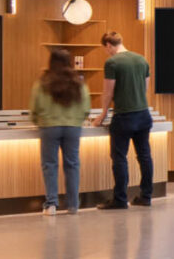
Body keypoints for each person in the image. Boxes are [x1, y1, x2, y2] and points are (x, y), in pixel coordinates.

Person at [92, 32, 153, 209]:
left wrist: (102, 115)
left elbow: (108, 92)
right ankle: (146, 196)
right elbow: (145, 88)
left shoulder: (112, 63)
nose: (107, 52)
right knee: (144, 156)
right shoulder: (142, 60)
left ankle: (120, 199)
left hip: (124, 116)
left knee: (119, 158)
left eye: (106, 49)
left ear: (109, 45)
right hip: (143, 115)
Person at [30, 50, 90, 216]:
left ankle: (51, 205)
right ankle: (73, 205)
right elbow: (86, 109)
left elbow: (34, 110)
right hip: (73, 128)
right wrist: (76, 121)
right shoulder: (78, 83)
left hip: (49, 127)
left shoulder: (42, 83)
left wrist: (39, 122)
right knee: (72, 164)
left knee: (50, 165)